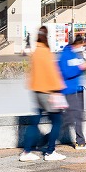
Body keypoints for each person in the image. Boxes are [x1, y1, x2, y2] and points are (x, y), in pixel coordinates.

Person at [21, 26, 68, 161]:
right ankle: (50, 151)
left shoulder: (35, 51)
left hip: (36, 91)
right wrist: (58, 90)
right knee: (57, 121)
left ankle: (26, 151)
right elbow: (52, 73)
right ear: (47, 37)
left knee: (35, 121)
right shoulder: (46, 52)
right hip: (48, 92)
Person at [58, 33, 86, 149]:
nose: (83, 47)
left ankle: (81, 142)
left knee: (79, 116)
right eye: (83, 44)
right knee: (70, 118)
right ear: (78, 43)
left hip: (78, 88)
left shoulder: (76, 54)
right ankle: (48, 139)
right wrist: (81, 67)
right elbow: (66, 73)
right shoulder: (66, 54)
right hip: (69, 90)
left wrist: (84, 66)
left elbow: (78, 69)